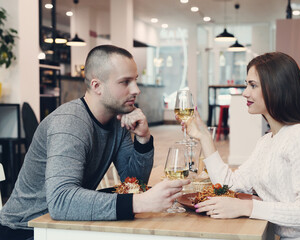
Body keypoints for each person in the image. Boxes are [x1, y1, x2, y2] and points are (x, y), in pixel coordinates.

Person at [0, 45, 189, 240]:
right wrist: (140, 203)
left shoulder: (118, 120)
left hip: (66, 225)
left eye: (135, 80)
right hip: (25, 230)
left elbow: (134, 183)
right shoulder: (70, 122)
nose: (136, 90)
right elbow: (61, 201)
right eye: (125, 82)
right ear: (97, 86)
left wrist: (143, 139)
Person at [183, 52, 300, 239]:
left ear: (277, 88)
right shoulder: (267, 141)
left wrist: (247, 207)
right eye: (246, 85)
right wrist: (204, 137)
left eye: (252, 85)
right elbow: (231, 185)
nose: (245, 93)